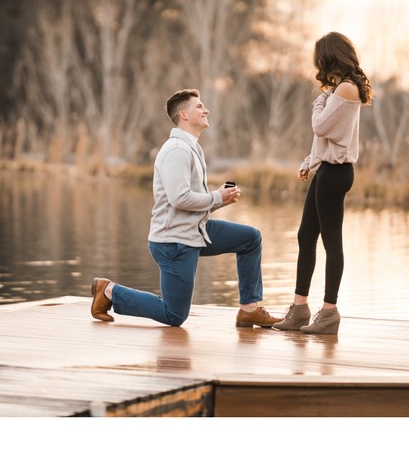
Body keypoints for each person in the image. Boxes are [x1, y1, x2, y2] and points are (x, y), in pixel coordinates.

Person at [91, 88, 281, 328]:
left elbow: (189, 201)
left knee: (250, 238)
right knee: (174, 315)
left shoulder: (192, 147)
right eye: (199, 106)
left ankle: (249, 310)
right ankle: (109, 290)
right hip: (174, 242)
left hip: (195, 231)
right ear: (183, 114)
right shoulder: (177, 150)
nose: (206, 110)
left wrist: (220, 200)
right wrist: (215, 196)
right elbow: (179, 199)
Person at [274, 32, 373, 335]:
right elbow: (326, 138)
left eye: (319, 60)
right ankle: (299, 309)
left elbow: (320, 126)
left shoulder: (346, 89)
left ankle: (329, 312)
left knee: (331, 242)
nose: (317, 66)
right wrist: (310, 161)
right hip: (326, 170)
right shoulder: (339, 90)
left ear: (329, 57)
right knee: (306, 236)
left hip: (336, 173)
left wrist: (320, 100)